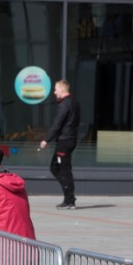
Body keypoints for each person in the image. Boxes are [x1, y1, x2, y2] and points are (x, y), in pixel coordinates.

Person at [39, 79, 81, 210]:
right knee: (55, 167)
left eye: (56, 89)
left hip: (65, 141)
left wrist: (46, 140)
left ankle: (69, 200)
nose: (54, 92)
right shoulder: (74, 103)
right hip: (69, 140)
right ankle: (69, 197)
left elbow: (57, 124)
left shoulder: (64, 105)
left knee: (64, 170)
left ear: (62, 90)